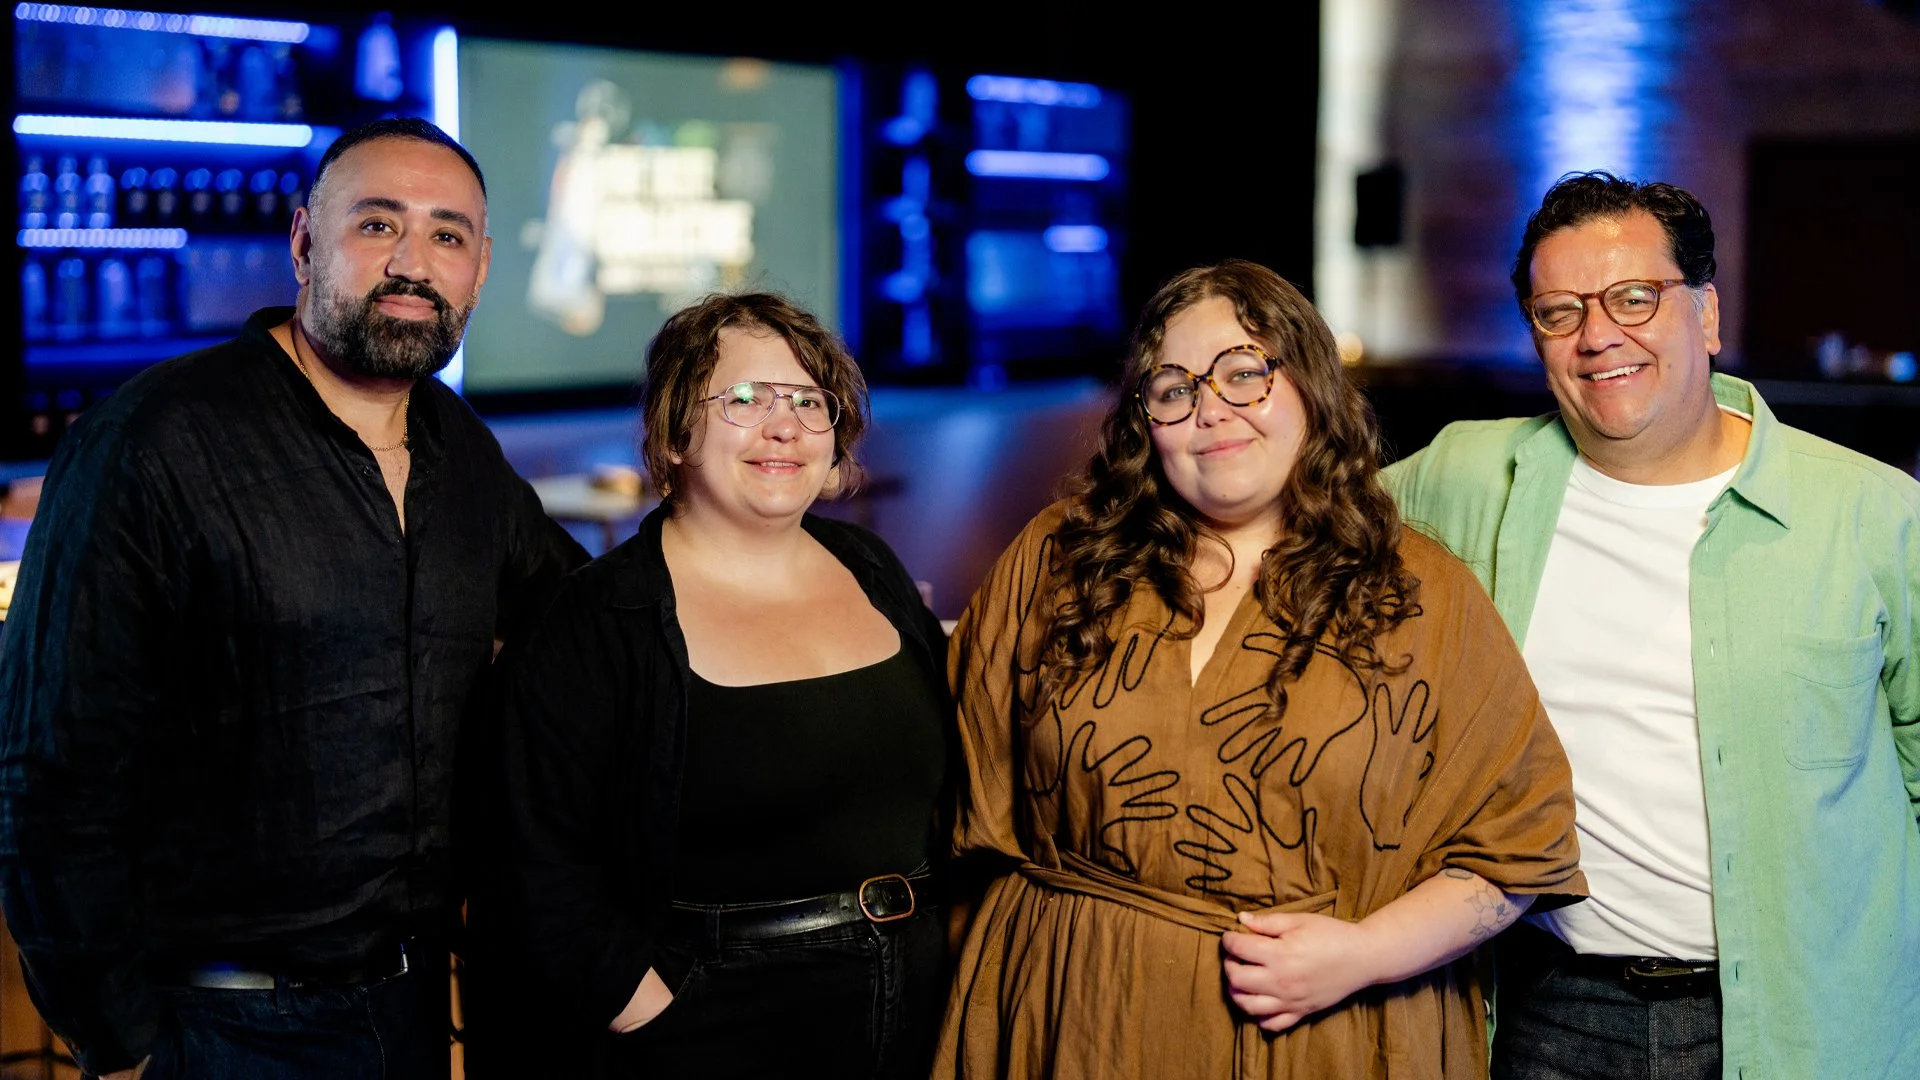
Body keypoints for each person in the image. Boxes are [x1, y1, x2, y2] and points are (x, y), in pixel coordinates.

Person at [0, 118, 586, 1080]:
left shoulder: (462, 450)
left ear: (479, 271)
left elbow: (581, 620)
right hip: (216, 1027)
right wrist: (117, 1046)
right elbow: (51, 770)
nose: (412, 262)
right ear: (305, 243)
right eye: (376, 225)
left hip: (410, 1006)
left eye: (447, 235)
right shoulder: (149, 442)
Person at [936, 260, 1585, 1079]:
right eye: (1174, 389)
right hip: (1071, 1012)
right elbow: (956, 802)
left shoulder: (1421, 596)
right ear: (1146, 421)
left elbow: (1519, 846)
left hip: (1321, 1037)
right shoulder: (1060, 561)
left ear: (1309, 387)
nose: (1212, 410)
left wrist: (1366, 954)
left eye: (1244, 374)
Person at [1383, 172, 1920, 1079]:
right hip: (1548, 1008)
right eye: (1560, 312)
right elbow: (1292, 521)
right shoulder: (1466, 480)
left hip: (1807, 1024)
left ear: (1706, 315)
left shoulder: (1872, 517)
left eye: (1635, 297)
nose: (1599, 336)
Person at [485, 292, 952, 1078]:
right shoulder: (598, 620)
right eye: (744, 398)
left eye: (811, 400)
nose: (786, 426)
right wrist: (654, 1015)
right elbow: (534, 863)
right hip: (710, 1027)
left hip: (910, 1010)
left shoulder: (872, 570)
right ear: (673, 432)